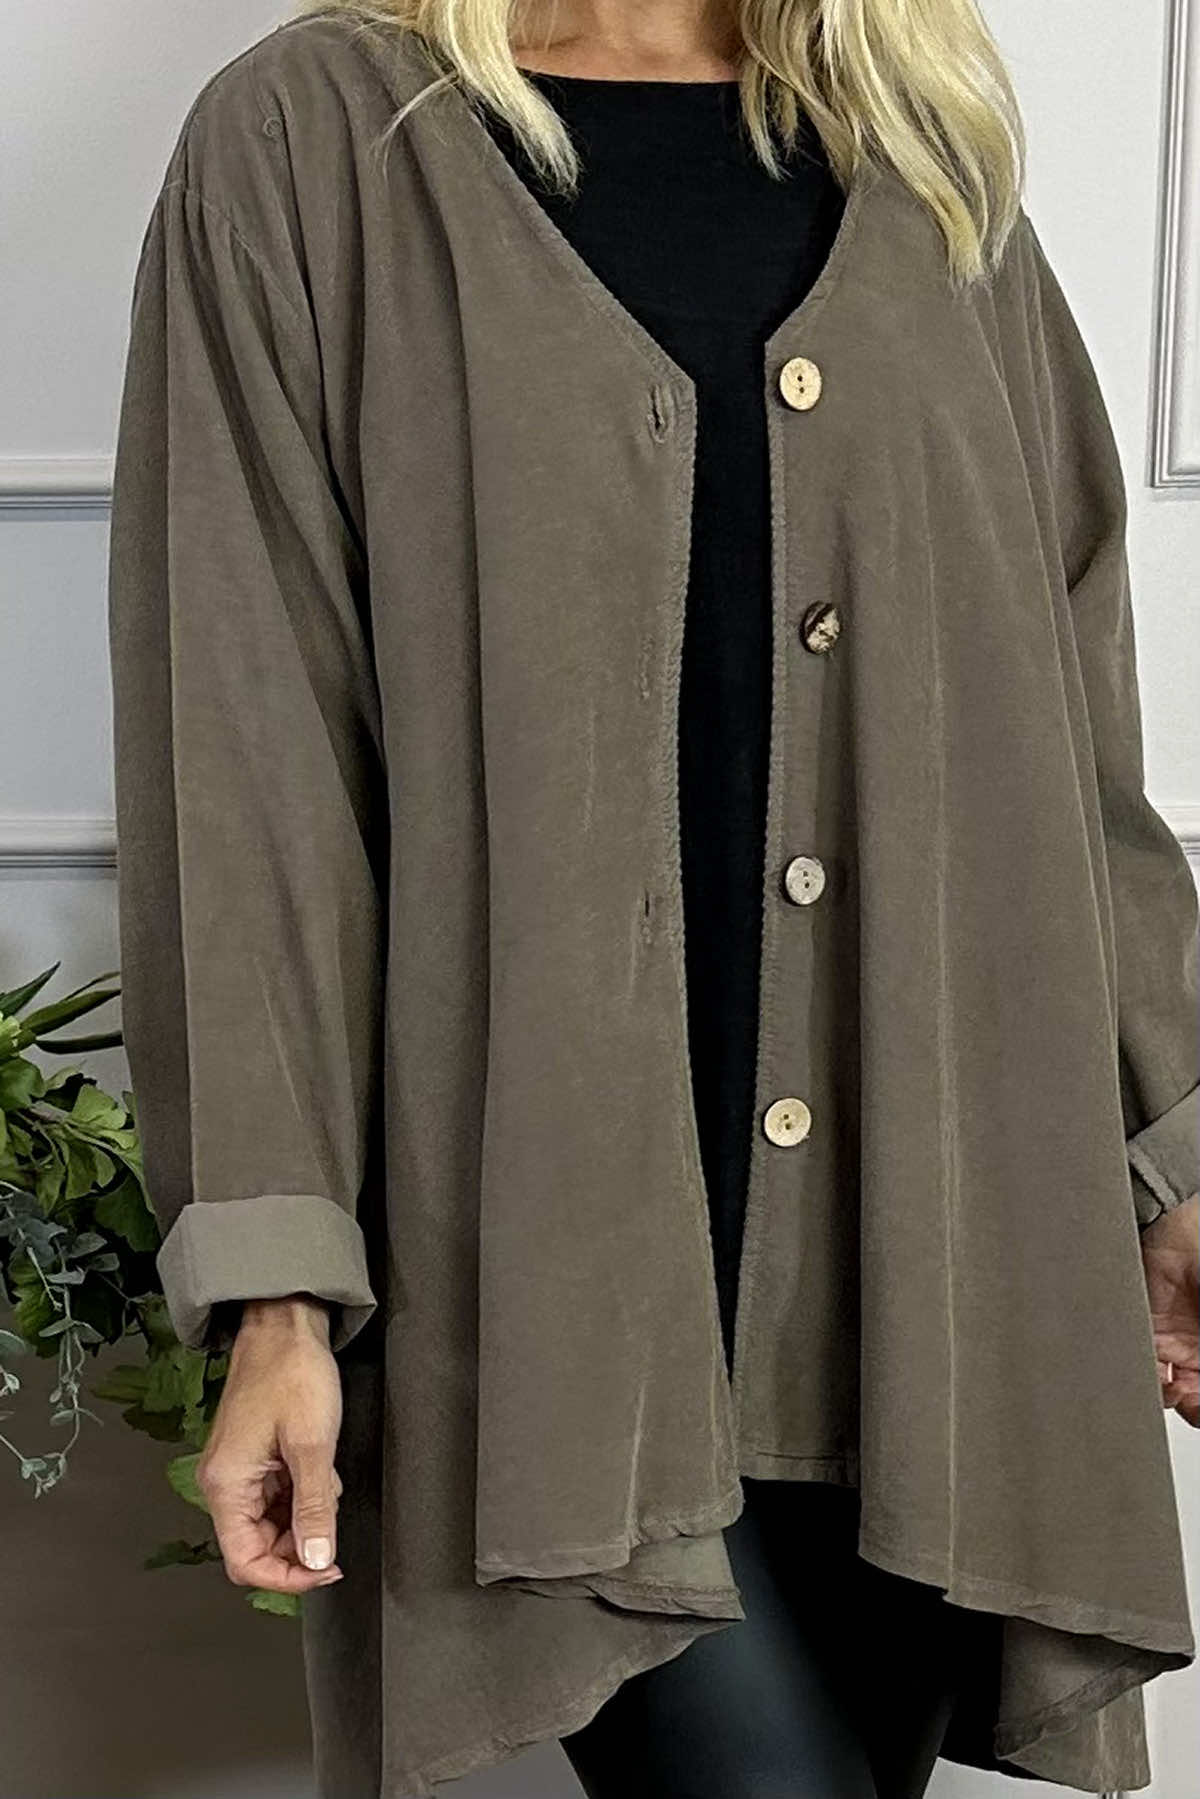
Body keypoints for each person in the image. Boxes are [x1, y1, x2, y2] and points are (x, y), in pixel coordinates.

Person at [105, 1, 1200, 1795]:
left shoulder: (918, 145)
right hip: (555, 1287)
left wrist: (1172, 1150)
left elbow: (1071, 720)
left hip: (934, 1260)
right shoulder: (312, 140)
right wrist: (275, 1289)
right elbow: (249, 760)